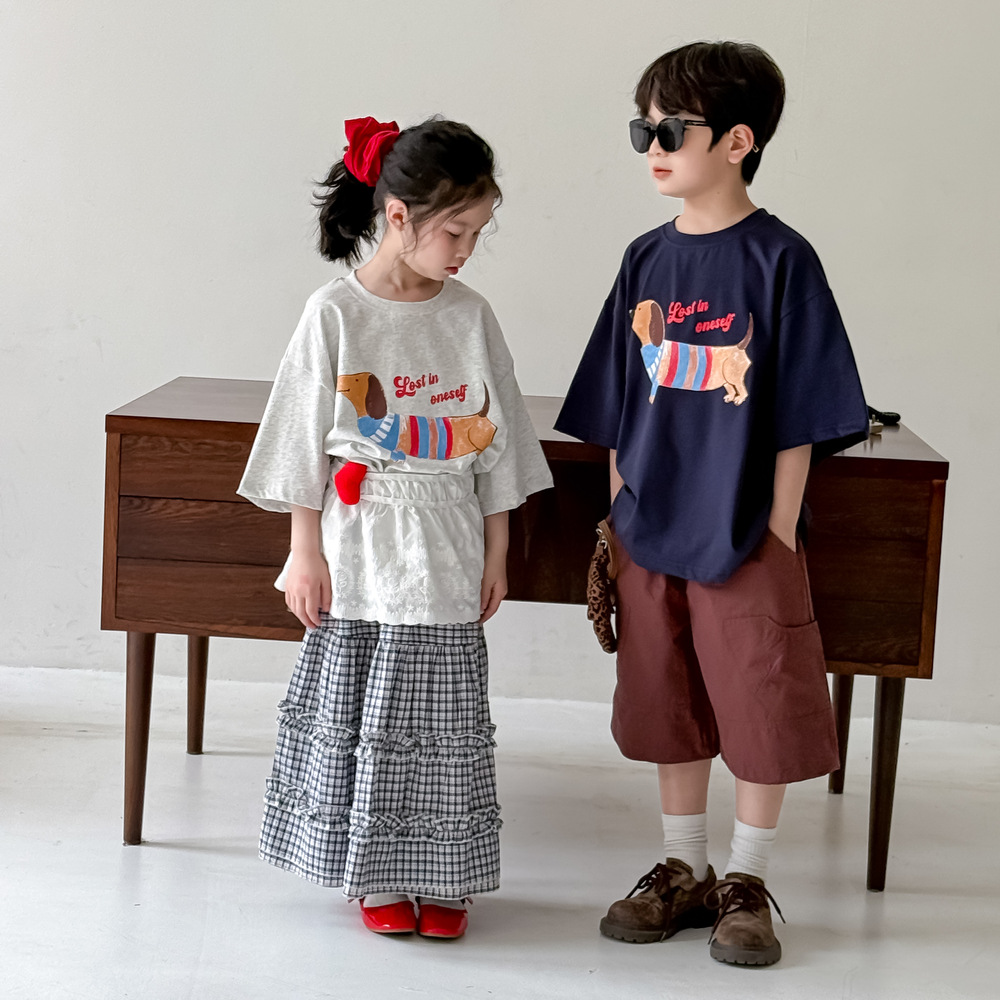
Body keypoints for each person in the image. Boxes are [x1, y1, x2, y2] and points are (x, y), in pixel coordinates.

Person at [555, 42, 868, 966]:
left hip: (745, 526)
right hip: (650, 522)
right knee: (668, 692)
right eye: (642, 130)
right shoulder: (645, 259)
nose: (651, 148)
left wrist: (779, 526)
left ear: (738, 140)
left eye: (670, 131)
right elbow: (618, 395)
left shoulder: (782, 259)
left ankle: (746, 879)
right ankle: (682, 867)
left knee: (762, 697)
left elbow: (804, 406)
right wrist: (621, 501)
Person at [238, 116, 552, 940]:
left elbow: (500, 441)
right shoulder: (334, 313)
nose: (466, 251)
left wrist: (498, 550)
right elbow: (301, 441)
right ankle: (374, 872)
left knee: (442, 716)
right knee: (365, 707)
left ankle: (445, 873)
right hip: (359, 543)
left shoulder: (471, 316)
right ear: (399, 215)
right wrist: (303, 553)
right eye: (455, 231)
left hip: (448, 541)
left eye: (479, 233)